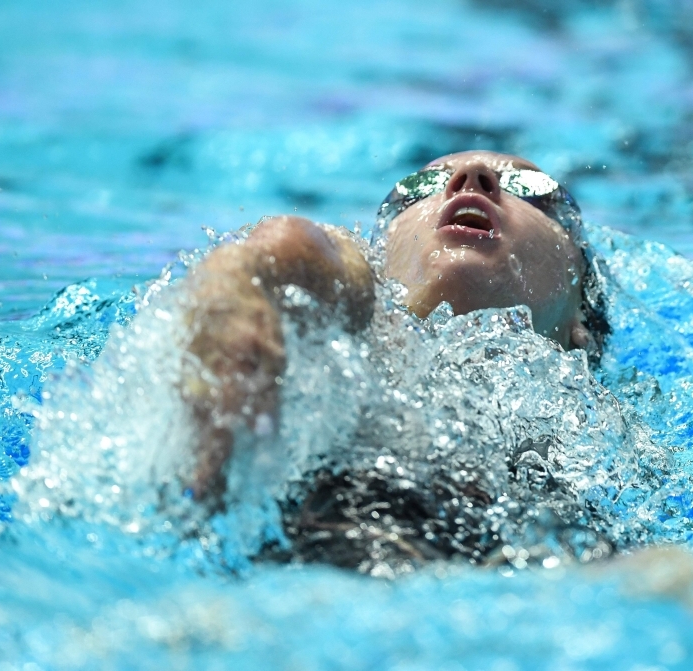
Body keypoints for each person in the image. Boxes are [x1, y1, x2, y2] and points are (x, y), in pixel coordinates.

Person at [181, 150, 608, 501]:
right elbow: (300, 249)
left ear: (580, 320)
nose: (469, 176)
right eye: (419, 188)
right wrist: (232, 290)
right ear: (378, 265)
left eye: (532, 190)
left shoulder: (608, 455)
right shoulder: (354, 335)